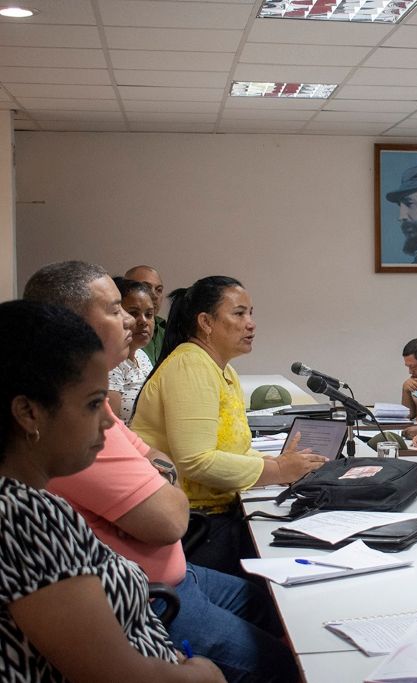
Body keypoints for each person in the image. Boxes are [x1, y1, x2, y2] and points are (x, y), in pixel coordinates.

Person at [25, 263, 299, 681]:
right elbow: (173, 508)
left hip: (167, 575)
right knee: (284, 663)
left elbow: (163, 463)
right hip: (154, 590)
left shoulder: (91, 407)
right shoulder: (61, 424)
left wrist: (157, 474)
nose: (135, 321)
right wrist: (278, 469)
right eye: (118, 309)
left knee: (278, 605)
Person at [0, 299, 224, 682]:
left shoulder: (32, 501)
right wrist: (202, 675)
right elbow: (120, 675)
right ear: (28, 413)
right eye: (92, 405)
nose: (108, 421)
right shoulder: (22, 515)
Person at [133, 276, 328, 576]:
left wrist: (279, 463)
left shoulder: (223, 370)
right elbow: (196, 461)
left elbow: (235, 449)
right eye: (239, 313)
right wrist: (276, 471)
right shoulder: (191, 365)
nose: (250, 323)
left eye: (251, 313)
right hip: (195, 526)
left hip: (216, 516)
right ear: (206, 322)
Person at [108, 277, 156, 421]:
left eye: (149, 315)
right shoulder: (111, 363)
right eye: (134, 313)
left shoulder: (142, 356)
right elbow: (113, 427)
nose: (143, 321)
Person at [125, 265, 167, 364]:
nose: (154, 295)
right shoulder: (119, 332)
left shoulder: (167, 330)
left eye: (159, 290)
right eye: (145, 288)